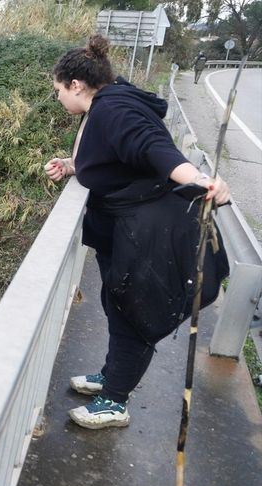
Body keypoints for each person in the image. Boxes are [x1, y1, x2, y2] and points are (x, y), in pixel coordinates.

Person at [44, 34, 231, 430]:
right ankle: (111, 377)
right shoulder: (109, 99)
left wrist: (200, 180)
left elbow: (153, 149)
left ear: (76, 85)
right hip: (127, 228)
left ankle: (115, 401)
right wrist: (73, 165)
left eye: (58, 90)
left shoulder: (114, 110)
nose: (58, 97)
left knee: (132, 313)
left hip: (147, 234)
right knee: (115, 304)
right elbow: (117, 155)